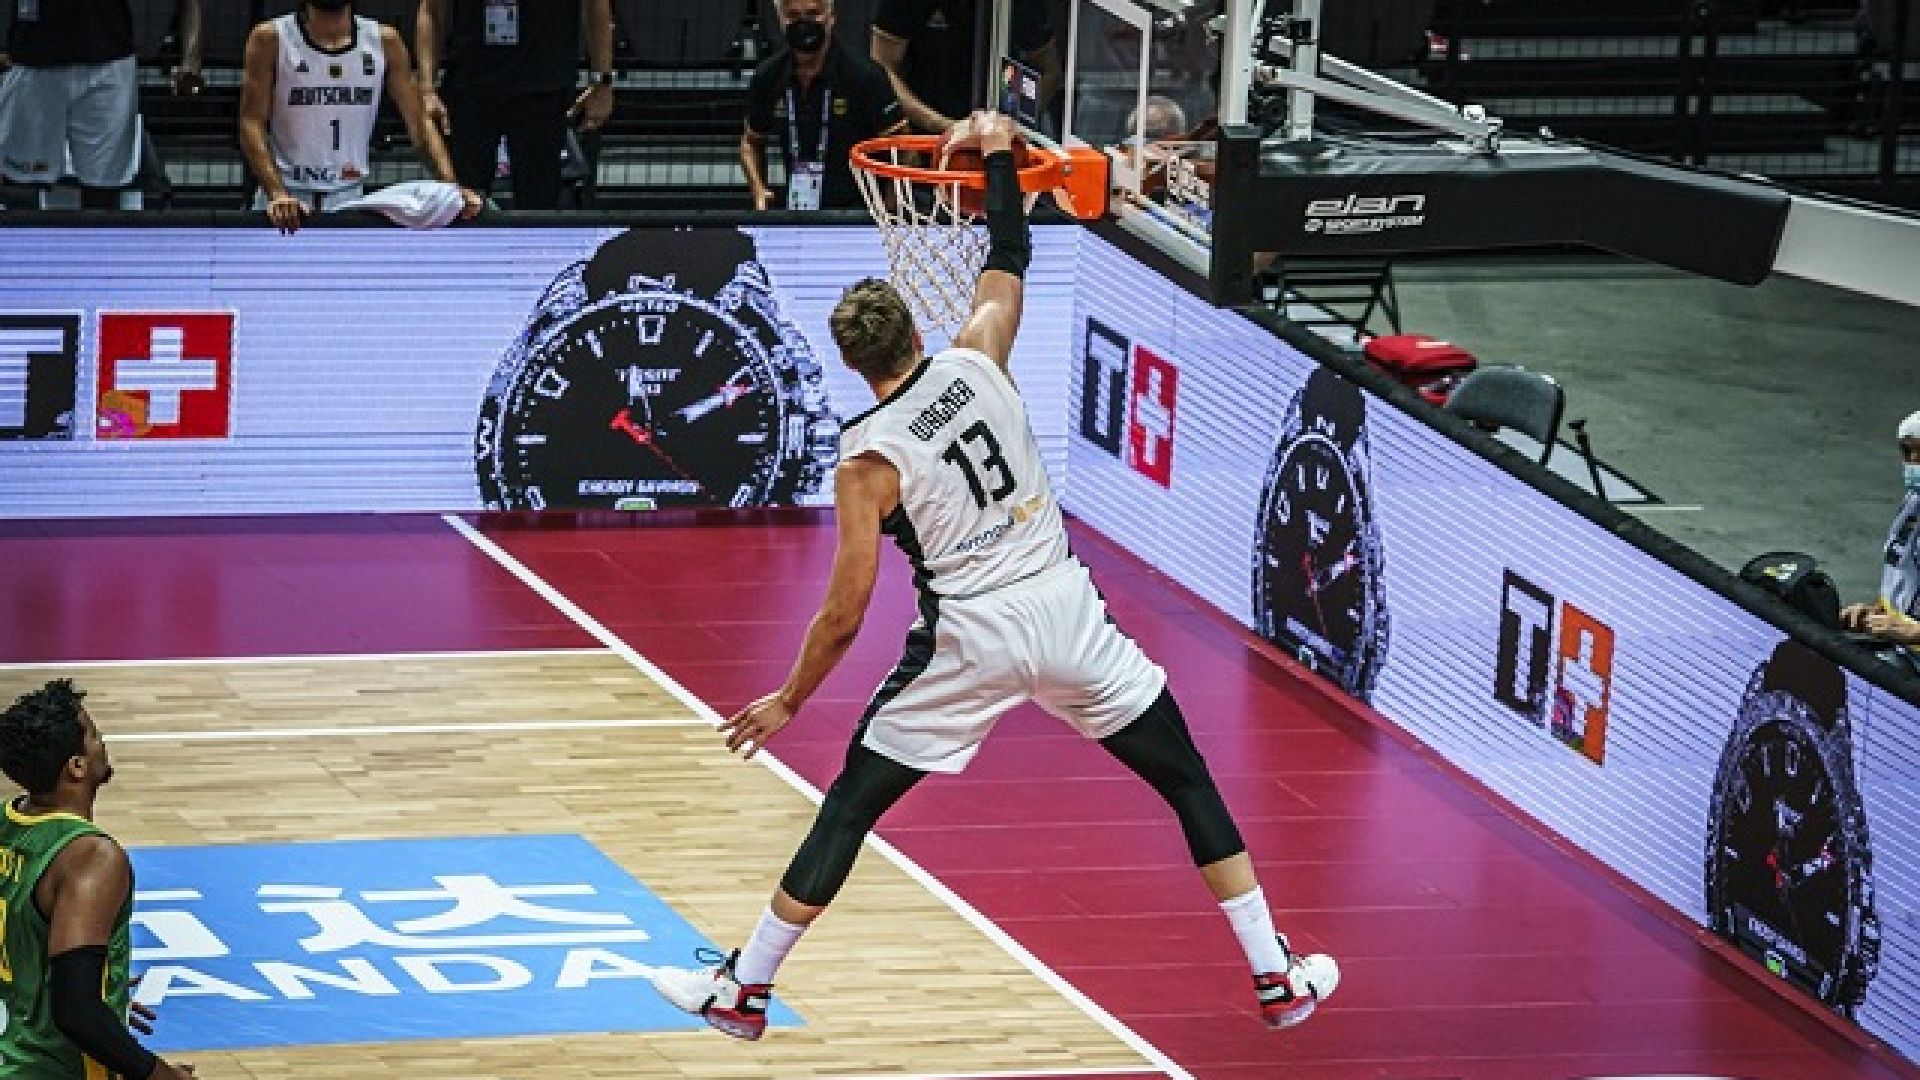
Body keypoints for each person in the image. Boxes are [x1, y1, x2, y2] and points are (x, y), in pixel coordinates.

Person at [649, 110, 1339, 1040]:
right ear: (913, 329)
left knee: (850, 807)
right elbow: (1010, 248)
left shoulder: (867, 458)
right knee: (1185, 780)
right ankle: (1274, 976)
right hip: (1065, 609)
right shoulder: (979, 353)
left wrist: (790, 698)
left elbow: (845, 613)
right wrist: (1003, 153)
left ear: (851, 362)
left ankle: (746, 989)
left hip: (971, 635)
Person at [0, 680, 196, 1079]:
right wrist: (162, 1076)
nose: (102, 742)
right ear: (76, 766)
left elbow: (21, 940)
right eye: (94, 735)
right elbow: (78, 1013)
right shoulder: (90, 858)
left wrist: (101, 985)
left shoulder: (7, 821)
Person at [239, 0, 479, 235]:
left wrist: (452, 188)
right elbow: (251, 123)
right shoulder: (270, 38)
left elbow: (419, 124)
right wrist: (277, 193)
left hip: (350, 199)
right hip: (285, 202)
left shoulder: (384, 41)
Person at [0, 0, 202, 209]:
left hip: (108, 59)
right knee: (20, 181)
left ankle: (99, 229)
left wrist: (191, 60)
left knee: (103, 186)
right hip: (34, 60)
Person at [414, 0, 614, 210]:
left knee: (539, 201)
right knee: (462, 199)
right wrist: (427, 88)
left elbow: (595, 6)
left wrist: (602, 83)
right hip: (470, 89)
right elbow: (432, 11)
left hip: (543, 89)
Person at [743, 0, 906, 211]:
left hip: (860, 212)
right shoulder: (768, 76)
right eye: (793, 16)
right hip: (797, 211)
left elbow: (902, 149)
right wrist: (759, 189)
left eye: (813, 14)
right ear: (781, 21)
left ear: (831, 18)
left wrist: (889, 208)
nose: (804, 23)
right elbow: (751, 143)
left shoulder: (865, 75)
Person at [1840, 409, 1920, 647]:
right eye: (1907, 451)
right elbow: (1905, 576)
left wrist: (1915, 632)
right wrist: (1876, 614)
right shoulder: (1913, 504)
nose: (1914, 462)